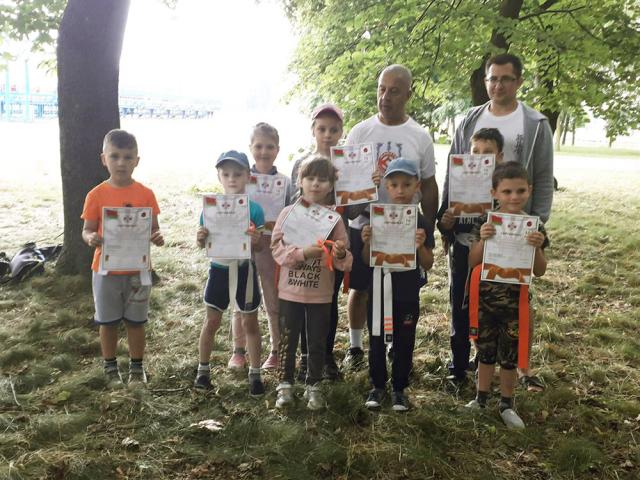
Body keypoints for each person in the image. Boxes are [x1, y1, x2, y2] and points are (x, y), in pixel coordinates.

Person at [444, 53, 554, 391]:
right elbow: (454, 165)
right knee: (465, 294)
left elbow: (543, 175)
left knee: (513, 300)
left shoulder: (535, 124)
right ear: (486, 81)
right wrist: (448, 216)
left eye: (506, 79)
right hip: (471, 227)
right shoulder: (470, 120)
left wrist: (535, 222)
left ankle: (518, 366)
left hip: (514, 228)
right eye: (493, 78)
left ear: (518, 81)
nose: (498, 85)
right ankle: (465, 362)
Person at [343, 64, 438, 371]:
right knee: (361, 288)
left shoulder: (419, 136)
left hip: (405, 227)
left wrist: (429, 227)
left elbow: (429, 183)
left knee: (401, 290)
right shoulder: (360, 131)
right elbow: (348, 183)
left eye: (394, 91)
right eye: (381, 89)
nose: (385, 97)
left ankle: (397, 345)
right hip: (365, 224)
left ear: (408, 94)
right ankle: (356, 347)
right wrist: (350, 215)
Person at [465, 161, 548, 428]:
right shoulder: (485, 222)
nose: (514, 197)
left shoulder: (535, 227)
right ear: (494, 193)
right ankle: (480, 398)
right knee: (485, 351)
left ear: (529, 190)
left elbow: (540, 270)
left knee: (510, 357)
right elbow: (472, 261)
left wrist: (537, 248)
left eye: (520, 191)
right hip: (485, 301)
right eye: (507, 191)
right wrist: (483, 240)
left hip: (515, 304)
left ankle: (507, 404)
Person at [81, 129, 164, 387]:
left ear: (136, 161)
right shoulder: (96, 195)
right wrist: (91, 238)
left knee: (136, 322)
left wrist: (157, 237)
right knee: (107, 322)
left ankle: (136, 368)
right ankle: (110, 367)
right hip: (105, 271)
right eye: (114, 156)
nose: (121, 162)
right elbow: (86, 229)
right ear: (103, 159)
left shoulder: (146, 194)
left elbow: (154, 228)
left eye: (128, 157)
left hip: (138, 271)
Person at [271, 156, 353, 410]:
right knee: (287, 339)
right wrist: (302, 254)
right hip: (290, 290)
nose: (316, 184)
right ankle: (284, 386)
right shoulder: (287, 213)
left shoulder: (334, 220)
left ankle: (314, 386)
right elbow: (276, 249)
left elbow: (345, 261)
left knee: (317, 341)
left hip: (321, 293)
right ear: (300, 181)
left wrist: (340, 253)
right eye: (310, 178)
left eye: (322, 179)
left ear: (331, 186)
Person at [360, 158, 434, 411]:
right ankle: (377, 385)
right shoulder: (377, 217)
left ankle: (399, 389)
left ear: (417, 186)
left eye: (407, 184)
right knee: (377, 336)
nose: (400, 190)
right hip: (379, 288)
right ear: (386, 187)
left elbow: (429, 263)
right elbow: (366, 259)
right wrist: (367, 241)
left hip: (407, 292)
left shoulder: (421, 222)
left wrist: (420, 246)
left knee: (405, 339)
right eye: (394, 184)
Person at [194, 151, 266, 396]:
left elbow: (260, 247)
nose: (232, 179)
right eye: (226, 174)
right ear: (219, 177)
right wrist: (200, 238)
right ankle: (203, 371)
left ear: (248, 176)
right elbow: (203, 243)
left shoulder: (254, 210)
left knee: (250, 322)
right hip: (219, 270)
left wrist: (256, 240)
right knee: (212, 321)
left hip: (245, 270)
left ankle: (255, 374)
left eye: (237, 174)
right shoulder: (210, 208)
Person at [437, 128, 505, 384]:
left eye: (488, 153)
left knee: (489, 309)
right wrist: (446, 223)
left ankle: (484, 361)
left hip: (494, 255)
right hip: (462, 253)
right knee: (460, 306)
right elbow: (443, 219)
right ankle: (458, 364)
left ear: (500, 156)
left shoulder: (504, 188)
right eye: (475, 151)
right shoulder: (458, 181)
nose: (480, 157)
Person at [228, 123, 292, 370]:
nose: (264, 152)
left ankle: (276, 350)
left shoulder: (284, 182)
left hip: (271, 247)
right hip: (243, 246)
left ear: (278, 149)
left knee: (273, 298)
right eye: (258, 146)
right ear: (250, 147)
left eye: (269, 147)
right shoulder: (242, 178)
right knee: (240, 297)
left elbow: (290, 213)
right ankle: (239, 350)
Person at [290, 103, 346, 380]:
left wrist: (367, 187)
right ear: (313, 130)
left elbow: (354, 209)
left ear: (341, 132)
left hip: (334, 244)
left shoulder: (347, 164)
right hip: (305, 244)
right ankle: (305, 358)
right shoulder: (301, 163)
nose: (327, 135)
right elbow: (292, 203)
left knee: (329, 301)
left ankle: (326, 356)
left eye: (333, 130)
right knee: (304, 300)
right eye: (322, 129)